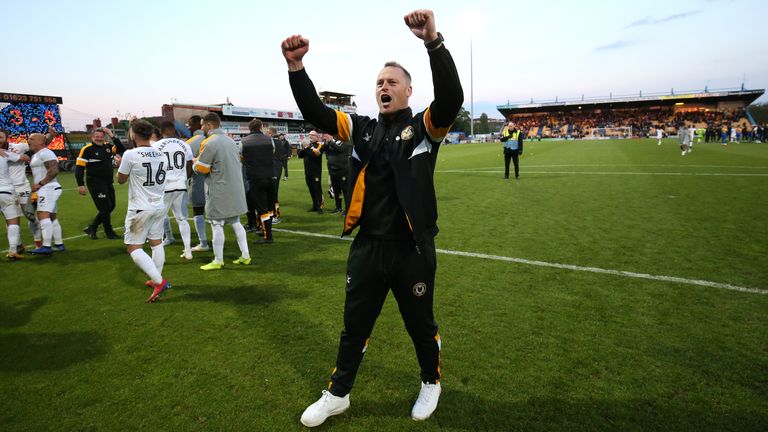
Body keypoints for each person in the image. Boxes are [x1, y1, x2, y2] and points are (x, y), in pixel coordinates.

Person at [282, 8, 463, 427]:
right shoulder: (360, 128)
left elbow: (452, 97)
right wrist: (297, 68)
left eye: (392, 82)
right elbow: (316, 112)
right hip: (368, 248)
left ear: (407, 92)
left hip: (411, 250)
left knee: (420, 324)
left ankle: (430, 382)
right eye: (379, 82)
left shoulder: (424, 128)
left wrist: (433, 43)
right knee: (354, 326)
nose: (384, 86)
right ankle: (338, 394)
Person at [117, 120, 171, 303]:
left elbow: (121, 180)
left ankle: (159, 281)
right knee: (156, 243)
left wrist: (120, 165)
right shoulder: (161, 154)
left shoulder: (130, 154)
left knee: (133, 247)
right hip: (159, 205)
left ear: (133, 134)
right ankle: (156, 277)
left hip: (141, 207)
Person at [192, 113, 251, 270]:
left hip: (219, 190)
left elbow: (202, 169)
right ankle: (245, 256)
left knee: (216, 224)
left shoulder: (209, 142)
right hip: (235, 189)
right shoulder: (231, 140)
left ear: (209, 126)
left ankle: (218, 260)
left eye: (203, 125)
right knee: (236, 222)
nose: (201, 127)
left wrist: (194, 163)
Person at [153, 120, 195, 259]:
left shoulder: (156, 145)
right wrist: (184, 179)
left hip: (164, 186)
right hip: (180, 185)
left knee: (159, 219)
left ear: (161, 131)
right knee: (182, 218)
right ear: (174, 130)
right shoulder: (185, 145)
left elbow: (153, 168)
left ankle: (158, 253)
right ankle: (188, 250)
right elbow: (189, 166)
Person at [76, 127, 125, 240]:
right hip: (95, 182)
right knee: (104, 208)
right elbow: (79, 168)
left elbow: (121, 149)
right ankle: (109, 232)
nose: (99, 139)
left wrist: (111, 134)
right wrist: (80, 184)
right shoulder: (87, 149)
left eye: (101, 137)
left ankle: (92, 228)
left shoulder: (108, 146)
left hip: (108, 182)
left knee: (111, 206)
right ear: (92, 137)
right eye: (96, 137)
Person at [0, 128, 39, 253]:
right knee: (10, 218)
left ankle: (38, 242)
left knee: (30, 214)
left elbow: (38, 145)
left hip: (22, 186)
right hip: (6, 189)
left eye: (0, 137)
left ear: (7, 137)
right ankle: (18, 245)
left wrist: (28, 156)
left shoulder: (19, 146)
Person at [28, 133, 64, 255]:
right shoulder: (39, 153)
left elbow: (54, 171)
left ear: (40, 142)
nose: (29, 141)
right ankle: (59, 244)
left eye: (32, 139)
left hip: (48, 188)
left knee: (42, 215)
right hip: (47, 188)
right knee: (52, 216)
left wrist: (40, 184)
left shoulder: (46, 153)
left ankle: (46, 246)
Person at [241, 119, 276, 244]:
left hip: (256, 178)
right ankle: (266, 230)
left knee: (261, 209)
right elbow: (272, 152)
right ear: (261, 127)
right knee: (270, 207)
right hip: (271, 176)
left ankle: (268, 236)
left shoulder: (244, 142)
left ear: (249, 128)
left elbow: (241, 158)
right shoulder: (269, 139)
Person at [0, 144, 30, 260]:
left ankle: (18, 247)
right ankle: (13, 250)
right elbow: (24, 158)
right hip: (5, 190)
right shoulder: (3, 153)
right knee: (13, 221)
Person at [185, 115, 210, 251]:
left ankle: (203, 243)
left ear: (195, 125)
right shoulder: (216, 139)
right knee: (218, 216)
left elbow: (188, 167)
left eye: (189, 124)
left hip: (199, 181)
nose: (188, 127)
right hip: (217, 183)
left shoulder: (189, 143)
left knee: (198, 210)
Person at [297, 130, 325, 213]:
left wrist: (308, 148)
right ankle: (315, 205)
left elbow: (315, 155)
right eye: (309, 135)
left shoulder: (319, 145)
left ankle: (320, 206)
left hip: (316, 172)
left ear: (317, 137)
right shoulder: (309, 146)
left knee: (317, 189)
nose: (310, 136)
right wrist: (305, 148)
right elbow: (300, 156)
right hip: (307, 172)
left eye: (312, 135)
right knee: (311, 189)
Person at [324, 133, 351, 213]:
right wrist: (327, 143)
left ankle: (348, 208)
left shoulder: (346, 141)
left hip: (343, 171)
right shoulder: (332, 142)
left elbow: (340, 149)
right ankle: (338, 207)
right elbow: (326, 152)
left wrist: (331, 141)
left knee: (345, 191)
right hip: (333, 171)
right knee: (337, 191)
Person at [267, 127, 284, 224]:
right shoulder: (280, 142)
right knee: (273, 193)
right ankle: (273, 214)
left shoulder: (272, 142)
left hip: (273, 169)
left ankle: (276, 216)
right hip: (277, 168)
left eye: (267, 133)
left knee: (273, 194)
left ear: (270, 133)